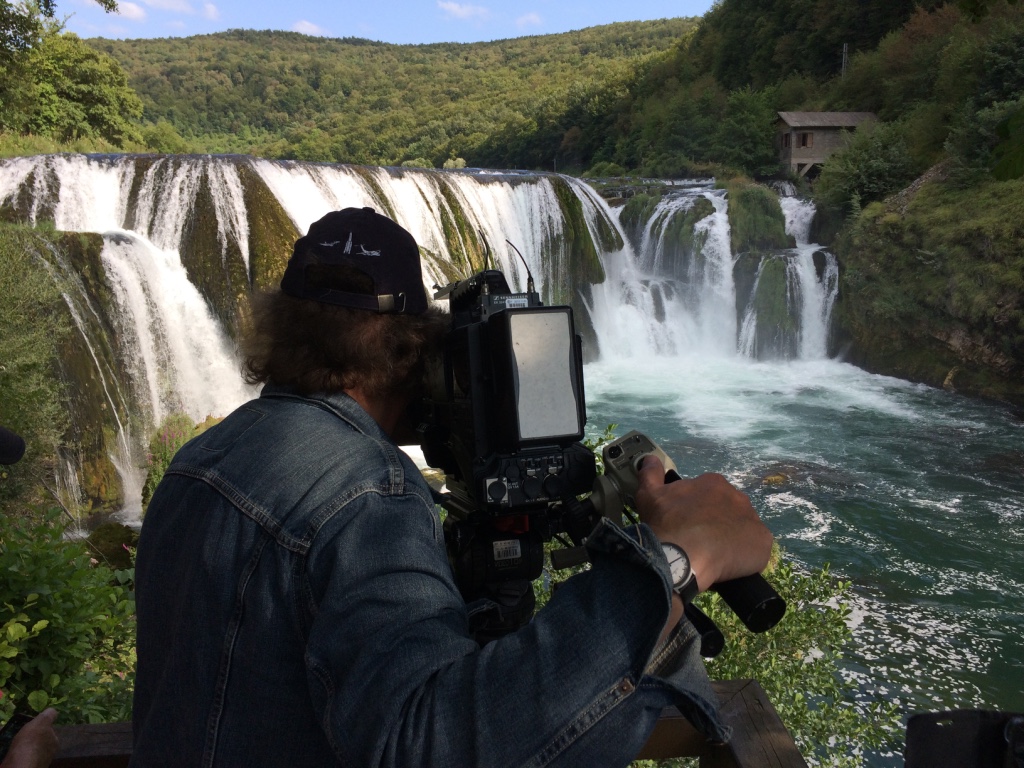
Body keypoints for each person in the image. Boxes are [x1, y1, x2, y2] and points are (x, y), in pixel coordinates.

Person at [130, 207, 773, 767]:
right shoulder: (370, 495)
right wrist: (670, 562)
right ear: (416, 353)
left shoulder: (197, 462)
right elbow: (431, 744)